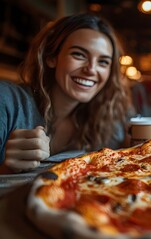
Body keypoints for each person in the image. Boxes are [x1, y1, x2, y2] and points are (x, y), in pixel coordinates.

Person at [0, 13, 129, 172]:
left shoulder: (105, 120)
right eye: (79, 54)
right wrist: (4, 169)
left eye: (103, 62)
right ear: (51, 57)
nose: (91, 70)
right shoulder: (6, 100)